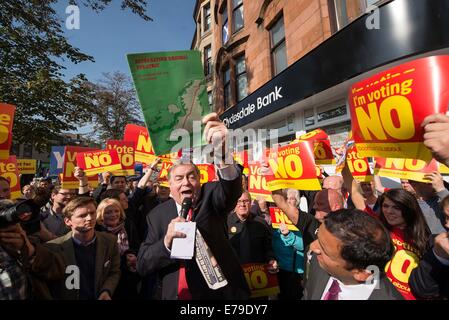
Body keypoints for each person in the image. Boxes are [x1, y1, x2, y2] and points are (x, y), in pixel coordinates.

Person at [137, 112, 250, 300]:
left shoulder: (211, 196)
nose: (186, 183)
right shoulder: (156, 216)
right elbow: (143, 264)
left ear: (199, 180)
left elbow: (230, 190)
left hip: (220, 295)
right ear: (170, 185)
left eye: (192, 177)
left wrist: (222, 152)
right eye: (179, 178)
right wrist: (166, 243)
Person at [31, 197, 121, 300]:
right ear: (68, 221)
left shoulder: (110, 241)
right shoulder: (52, 248)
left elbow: (114, 272)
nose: (89, 218)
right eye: (82, 215)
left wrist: (106, 290)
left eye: (92, 213)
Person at [303, 209, 403, 300]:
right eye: (318, 238)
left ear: (361, 273)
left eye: (324, 249)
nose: (314, 248)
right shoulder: (319, 263)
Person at [227, 191, 277, 269]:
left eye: (246, 201)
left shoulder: (261, 223)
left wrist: (271, 260)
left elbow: (268, 247)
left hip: (257, 272)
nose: (242, 204)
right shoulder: (225, 222)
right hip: (233, 271)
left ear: (251, 203)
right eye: (239, 201)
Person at [272, 188, 305, 300]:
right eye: (286, 199)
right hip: (279, 269)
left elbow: (304, 245)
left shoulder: (303, 218)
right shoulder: (275, 218)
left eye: (292, 199)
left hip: (296, 270)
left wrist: (288, 235)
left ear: (297, 201)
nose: (289, 201)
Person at [409, 231, 449, 299]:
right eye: (447, 219)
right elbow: (421, 288)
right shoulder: (434, 242)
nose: (447, 224)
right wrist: (437, 257)